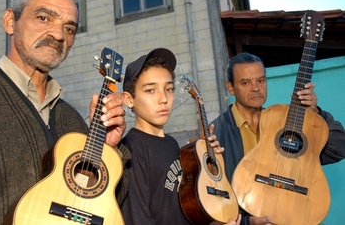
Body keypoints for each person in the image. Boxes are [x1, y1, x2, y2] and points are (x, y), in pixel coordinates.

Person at [0, 0, 129, 225]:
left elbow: (99, 207)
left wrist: (106, 153)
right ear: (10, 21)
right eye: (44, 18)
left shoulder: (72, 118)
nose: (58, 34)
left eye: (69, 28)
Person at [210, 52, 345, 225]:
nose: (256, 88)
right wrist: (247, 222)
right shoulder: (216, 132)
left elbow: (338, 149)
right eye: (245, 82)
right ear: (231, 87)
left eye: (261, 80)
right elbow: (211, 200)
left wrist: (317, 114)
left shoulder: (285, 124)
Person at [119, 48, 241, 225]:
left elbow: (183, 211)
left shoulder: (172, 144)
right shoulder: (132, 149)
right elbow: (138, 218)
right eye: (150, 91)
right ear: (129, 100)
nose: (164, 99)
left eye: (169, 89)